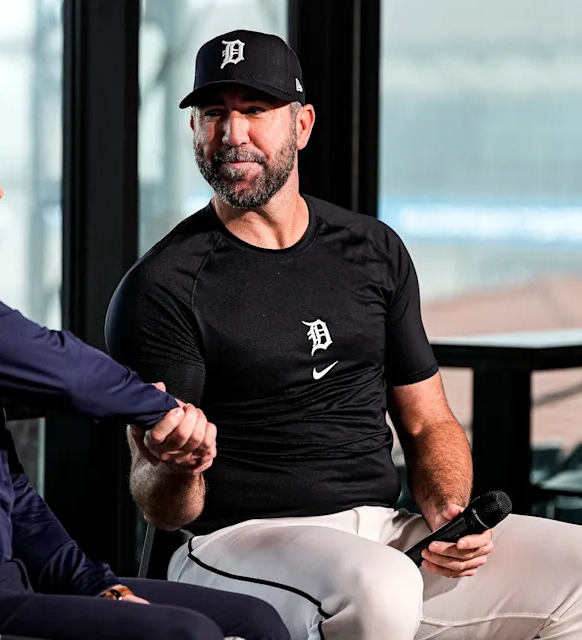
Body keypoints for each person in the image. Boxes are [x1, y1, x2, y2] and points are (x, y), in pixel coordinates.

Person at [105, 29, 582, 640]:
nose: (232, 135)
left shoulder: (372, 250)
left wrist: (448, 510)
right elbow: (159, 504)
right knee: (380, 585)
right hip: (236, 544)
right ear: (194, 131)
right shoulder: (163, 285)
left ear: (302, 126)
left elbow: (428, 422)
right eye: (213, 115)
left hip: (386, 533)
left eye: (255, 111)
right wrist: (175, 467)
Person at [0, 60, 289, 640]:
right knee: (187, 636)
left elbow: (9, 486)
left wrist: (97, 586)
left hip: (7, 581)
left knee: (255, 620)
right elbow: (54, 362)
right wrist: (161, 410)